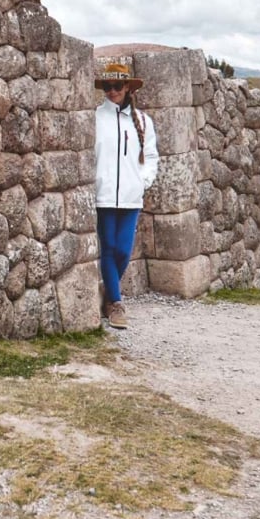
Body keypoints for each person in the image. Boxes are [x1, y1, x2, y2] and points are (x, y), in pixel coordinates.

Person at [93, 62, 159, 328]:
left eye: (117, 86)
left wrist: (143, 181)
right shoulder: (96, 118)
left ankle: (109, 295)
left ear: (128, 87)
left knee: (123, 250)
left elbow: (151, 156)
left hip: (131, 197)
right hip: (104, 195)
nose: (112, 92)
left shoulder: (143, 121)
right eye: (107, 87)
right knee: (108, 248)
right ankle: (117, 305)